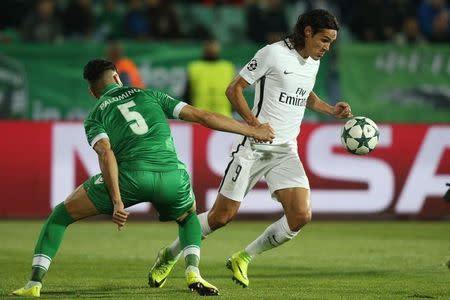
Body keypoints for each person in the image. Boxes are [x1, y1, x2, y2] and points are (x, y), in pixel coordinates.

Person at [10, 59, 274, 297]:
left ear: (93, 92)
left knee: (60, 216)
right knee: (188, 217)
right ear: (117, 77)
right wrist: (251, 130)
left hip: (130, 179)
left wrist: (116, 202)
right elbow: (203, 116)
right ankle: (193, 271)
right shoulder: (151, 95)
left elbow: (106, 154)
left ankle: (34, 284)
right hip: (172, 177)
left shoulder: (95, 114)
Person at [148, 9, 353, 288]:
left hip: (286, 150)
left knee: (300, 215)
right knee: (221, 217)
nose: (327, 48)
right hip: (253, 148)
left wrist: (330, 109)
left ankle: (243, 258)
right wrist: (254, 125)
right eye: (324, 40)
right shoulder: (272, 53)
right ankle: (169, 255)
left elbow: (304, 92)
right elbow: (234, 89)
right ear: (307, 32)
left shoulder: (312, 60)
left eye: (331, 42)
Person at [184, 39, 235, 117]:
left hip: (224, 116)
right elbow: (188, 92)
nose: (211, 49)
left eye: (214, 46)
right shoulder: (194, 67)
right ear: (204, 48)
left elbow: (234, 91)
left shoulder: (227, 67)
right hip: (200, 116)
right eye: (209, 46)